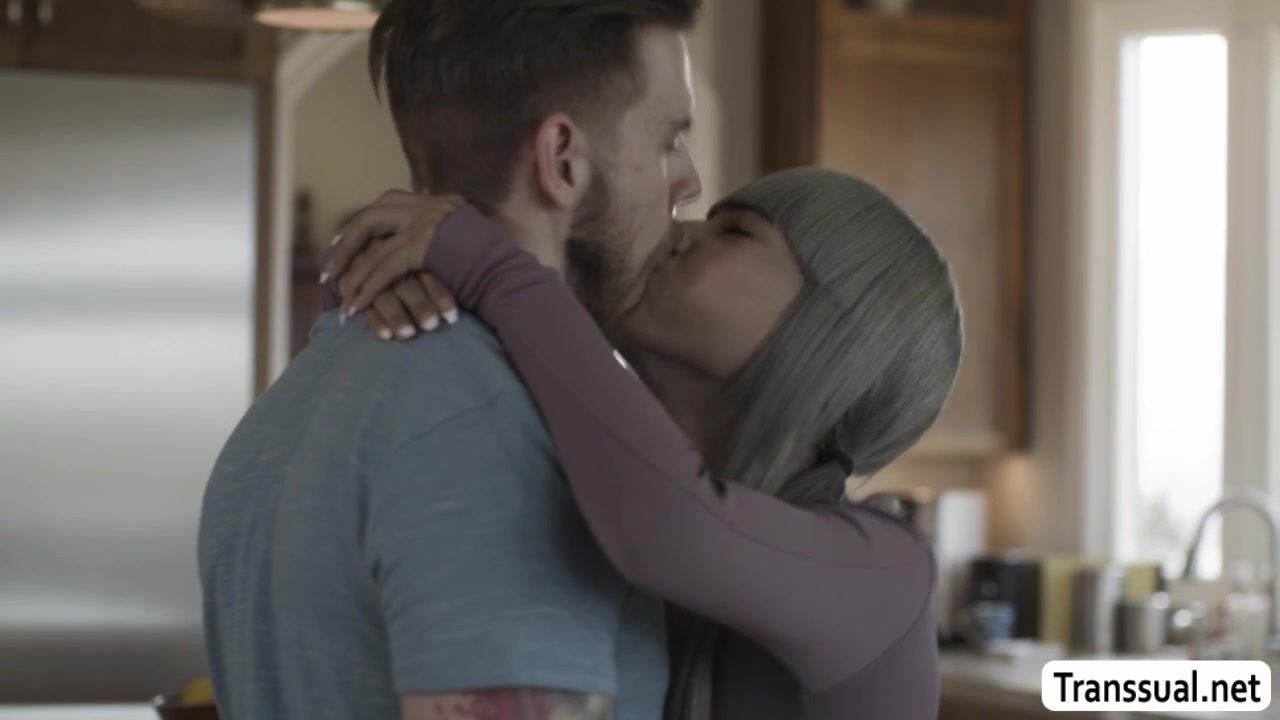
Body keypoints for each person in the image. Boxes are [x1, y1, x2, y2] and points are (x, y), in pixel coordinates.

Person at [198, 1, 703, 719]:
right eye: (670, 140)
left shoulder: (293, 403)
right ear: (561, 160)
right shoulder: (496, 430)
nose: (690, 182)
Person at [324, 167, 962, 719]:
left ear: (838, 337)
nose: (677, 232)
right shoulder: (596, 485)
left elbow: (675, 528)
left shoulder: (886, 578)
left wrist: (495, 271)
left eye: (736, 232)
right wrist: (385, 284)